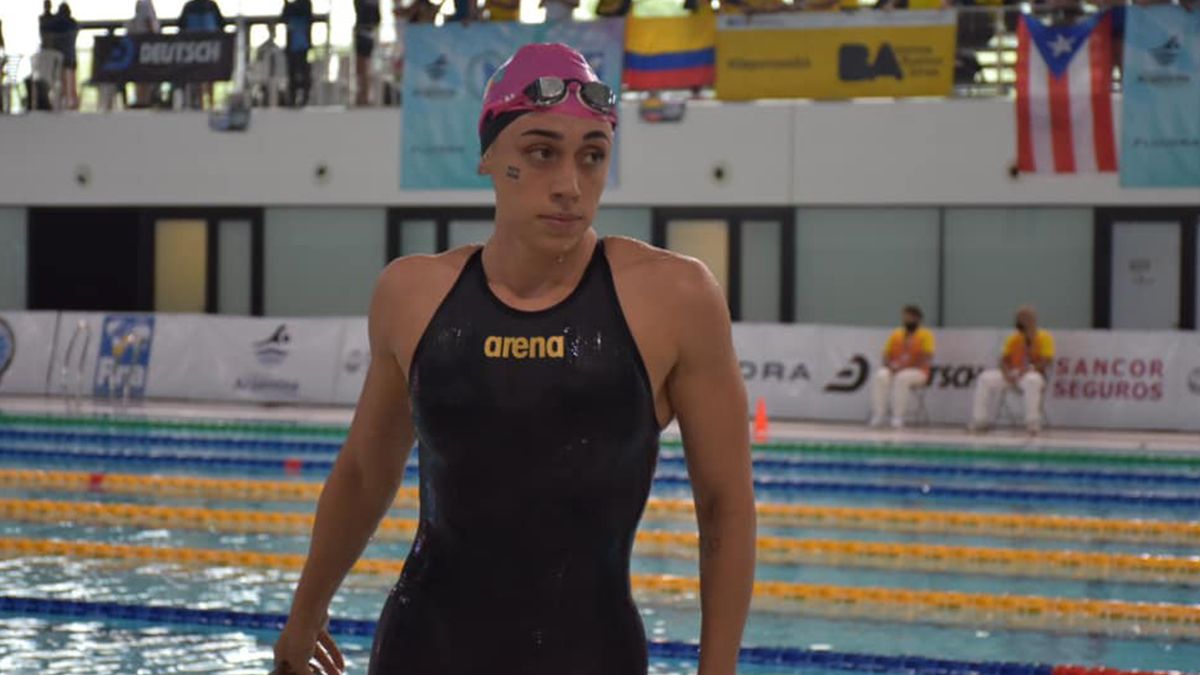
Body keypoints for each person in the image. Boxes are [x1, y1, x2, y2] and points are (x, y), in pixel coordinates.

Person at [272, 43, 756, 675]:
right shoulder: (412, 295)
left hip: (591, 655)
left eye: (592, 157)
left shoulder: (674, 298)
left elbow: (724, 502)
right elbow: (366, 472)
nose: (569, 185)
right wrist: (305, 614)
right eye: (540, 151)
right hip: (424, 651)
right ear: (488, 156)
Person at [969, 306, 1055, 435]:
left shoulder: (1045, 337)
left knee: (1032, 381)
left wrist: (1027, 369)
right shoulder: (1013, 338)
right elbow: (1003, 360)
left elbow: (1046, 361)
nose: (1021, 321)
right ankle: (980, 420)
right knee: (984, 378)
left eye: (1024, 318)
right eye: (1019, 318)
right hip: (1013, 374)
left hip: (1032, 374)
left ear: (1032, 320)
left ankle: (1032, 423)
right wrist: (1006, 374)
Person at [869, 305, 934, 429]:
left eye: (910, 318)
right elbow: (885, 355)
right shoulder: (896, 334)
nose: (906, 320)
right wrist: (889, 366)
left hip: (918, 371)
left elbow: (927, 357)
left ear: (918, 319)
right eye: (905, 317)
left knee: (902, 378)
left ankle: (898, 417)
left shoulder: (926, 335)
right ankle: (878, 415)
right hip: (895, 368)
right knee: (880, 375)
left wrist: (905, 367)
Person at [179, 0, 225, 109]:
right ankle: (207, 102)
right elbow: (221, 25)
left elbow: (181, 26)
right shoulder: (208, 5)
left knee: (204, 75)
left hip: (204, 47)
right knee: (202, 76)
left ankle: (205, 102)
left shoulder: (209, 6)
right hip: (198, 48)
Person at [126, 0, 161, 108]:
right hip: (144, 47)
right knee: (143, 76)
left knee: (143, 77)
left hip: (141, 47)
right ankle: (143, 100)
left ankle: (143, 99)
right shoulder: (144, 4)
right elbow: (149, 22)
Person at [282, 0, 313, 107]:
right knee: (292, 73)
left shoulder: (305, 4)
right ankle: (292, 97)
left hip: (302, 45)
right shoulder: (291, 7)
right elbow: (284, 18)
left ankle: (304, 96)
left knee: (303, 72)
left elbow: (306, 14)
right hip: (292, 46)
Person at [353, 0, 381, 106]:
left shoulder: (369, 4)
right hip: (365, 33)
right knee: (362, 68)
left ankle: (364, 96)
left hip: (365, 34)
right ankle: (363, 95)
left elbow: (376, 18)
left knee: (363, 67)